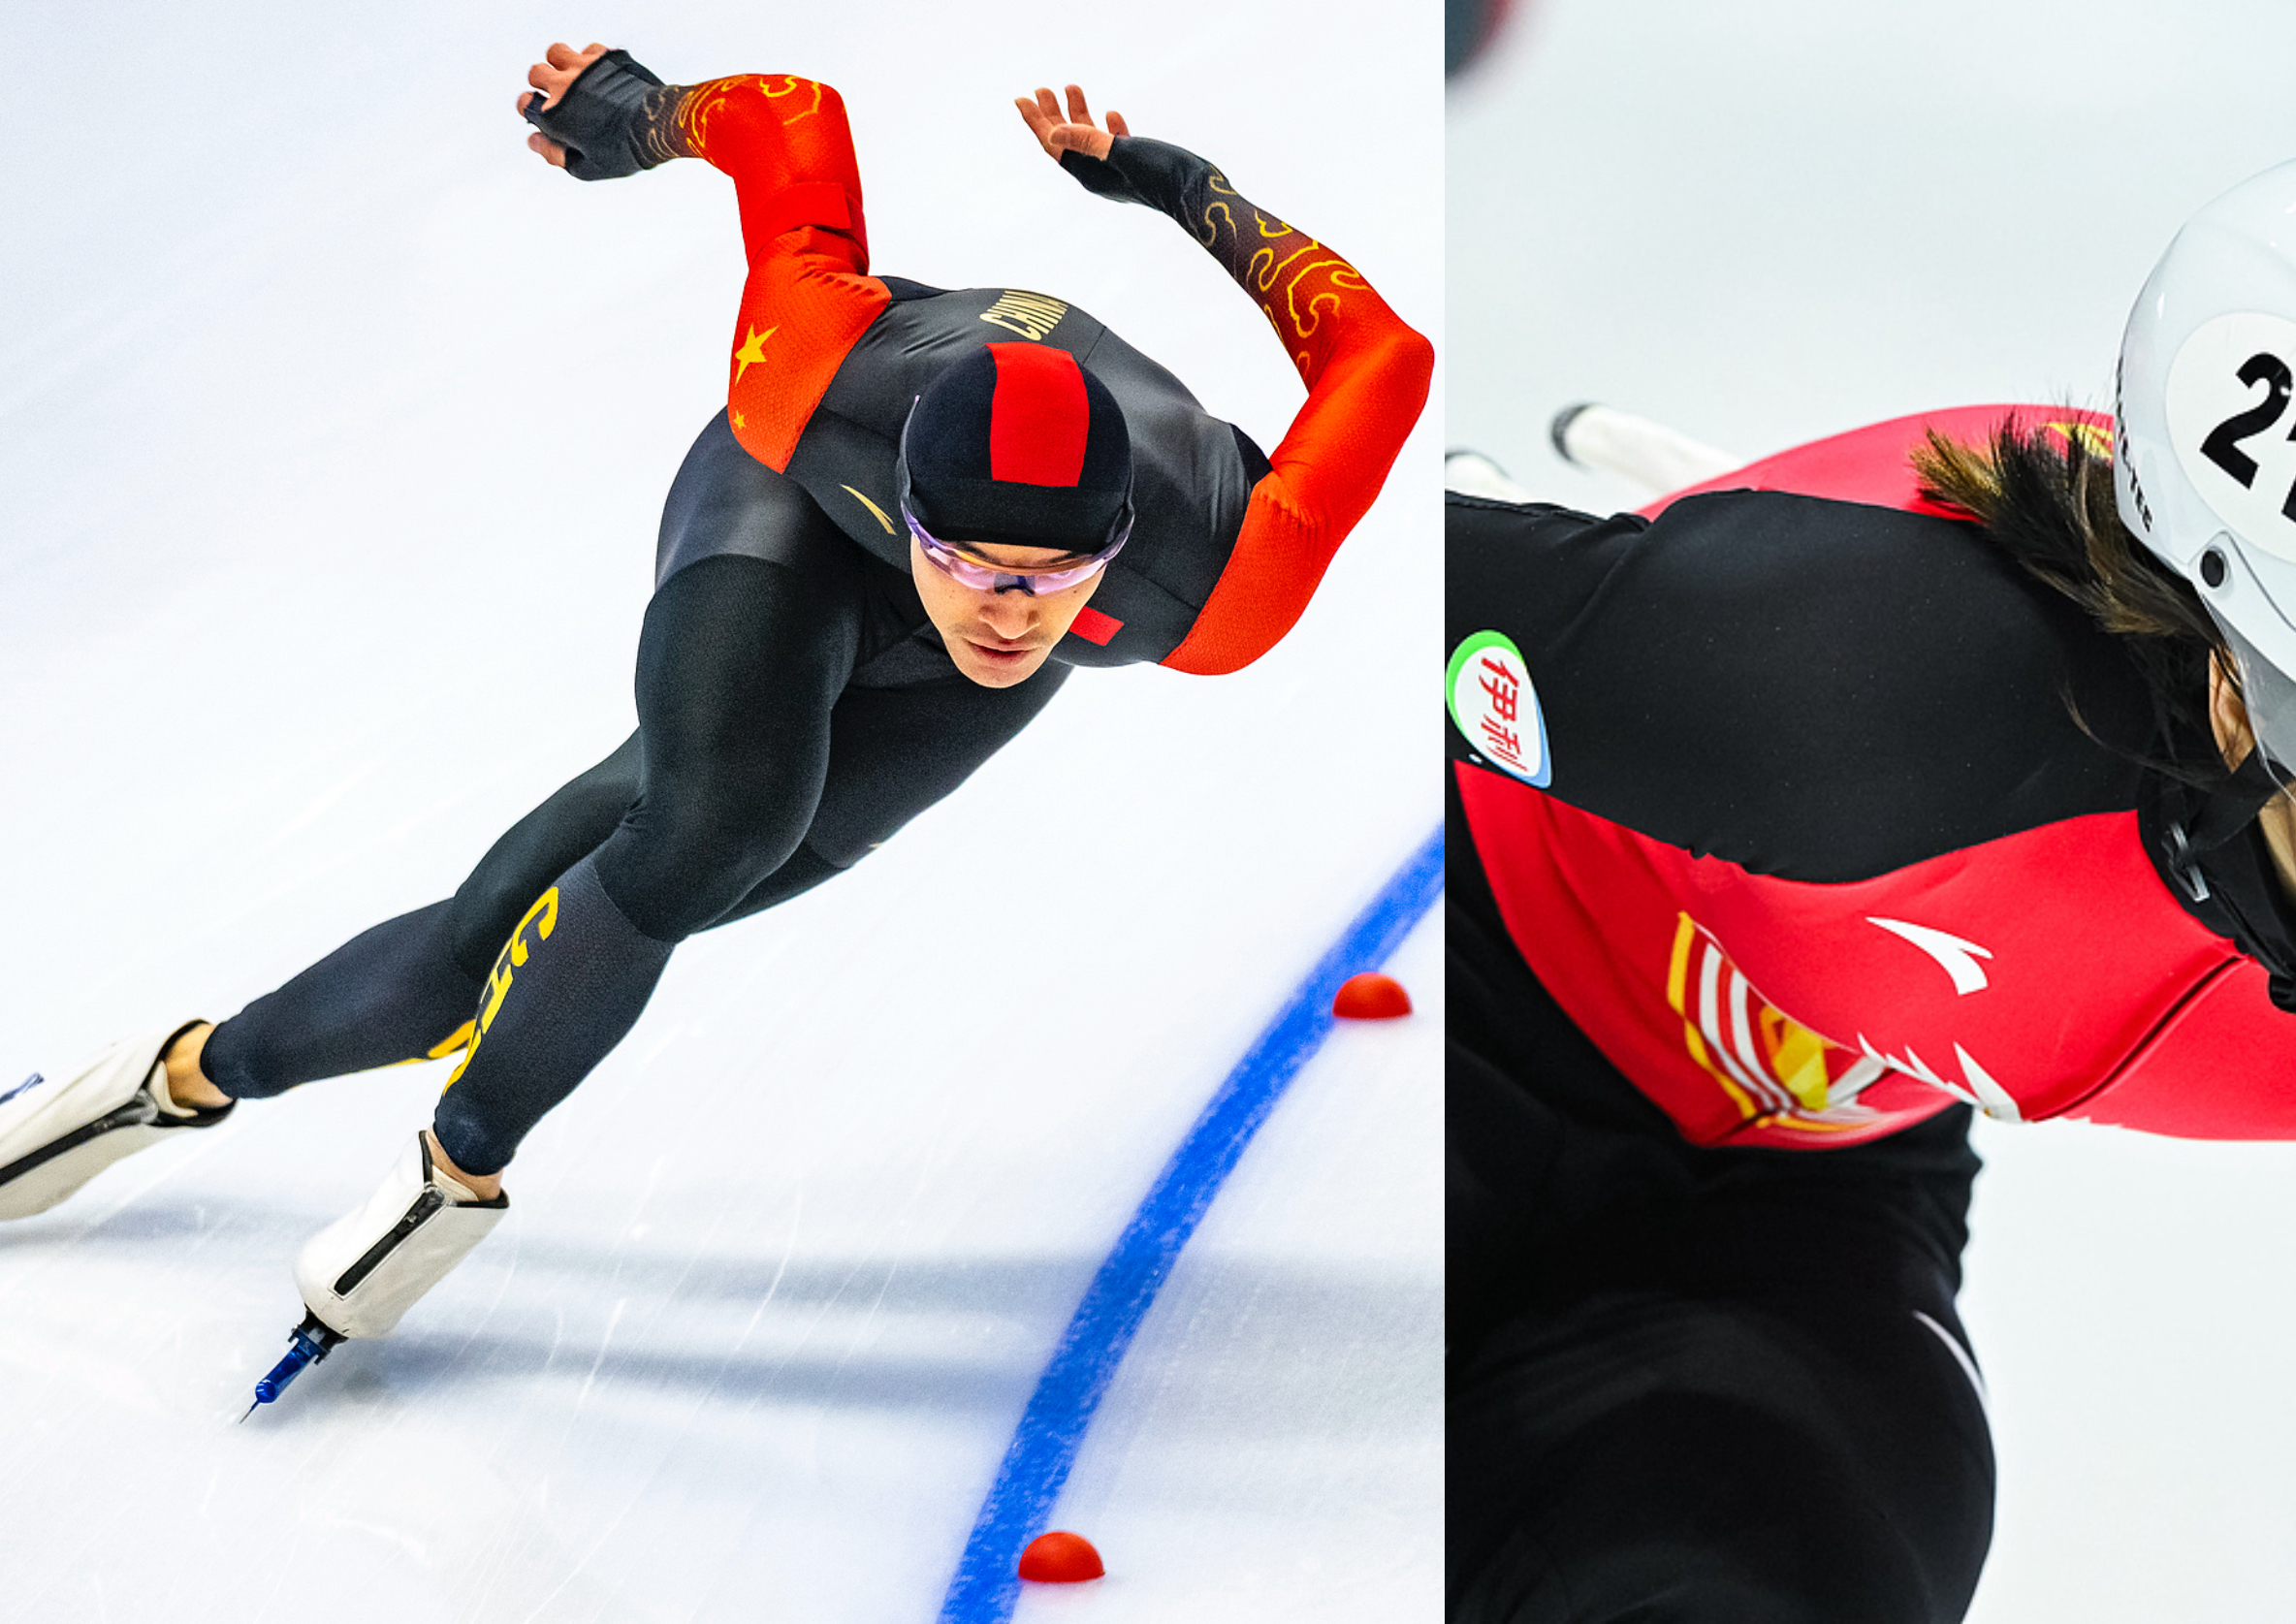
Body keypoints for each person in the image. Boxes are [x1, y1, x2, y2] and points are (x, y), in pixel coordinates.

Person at [1445, 143, 2296, 1622]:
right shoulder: (1856, 712)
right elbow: (1258, 548)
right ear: (2252, 710)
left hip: (1781, 1209)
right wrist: (1636, 645)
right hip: (1451, 1004)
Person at [0, 44, 1429, 1380]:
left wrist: (1173, 182)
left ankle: (228, 1082)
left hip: (930, 583)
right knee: (699, 836)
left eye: (1056, 579)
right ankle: (373, 1137)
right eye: (974, 566)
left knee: (580, 914)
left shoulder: (1228, 583)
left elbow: (1382, 356)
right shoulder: (811, 377)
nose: (1010, 611)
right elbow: (787, 118)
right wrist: (632, 113)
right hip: (797, 514)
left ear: (1120, 546)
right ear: (920, 517)